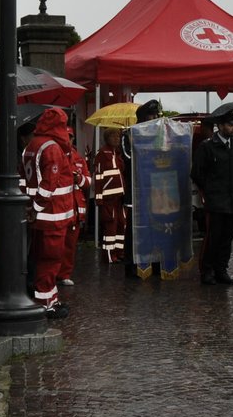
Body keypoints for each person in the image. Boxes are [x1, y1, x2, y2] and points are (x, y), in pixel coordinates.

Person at [22, 106, 79, 315]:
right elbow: (49, 184)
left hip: (40, 215)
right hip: (52, 215)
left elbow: (25, 180)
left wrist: (30, 208)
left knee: (41, 258)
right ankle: (46, 304)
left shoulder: (31, 146)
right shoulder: (52, 148)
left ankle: (49, 299)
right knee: (50, 259)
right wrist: (37, 207)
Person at [191, 107, 233, 284]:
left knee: (227, 237)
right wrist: (209, 190)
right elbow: (197, 173)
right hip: (216, 200)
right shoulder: (208, 146)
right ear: (221, 126)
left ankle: (221, 269)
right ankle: (207, 270)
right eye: (230, 125)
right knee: (213, 237)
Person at [121, 98, 160, 277]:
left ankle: (156, 263)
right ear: (142, 117)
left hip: (155, 191)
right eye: (151, 115)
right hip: (137, 191)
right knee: (134, 230)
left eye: (155, 115)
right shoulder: (128, 134)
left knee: (156, 228)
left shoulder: (160, 135)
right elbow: (129, 158)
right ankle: (132, 264)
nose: (154, 118)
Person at [60, 120, 89, 287]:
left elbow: (88, 181)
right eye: (66, 137)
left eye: (70, 137)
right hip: (59, 207)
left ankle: (64, 274)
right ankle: (54, 274)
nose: (68, 140)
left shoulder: (78, 158)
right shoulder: (55, 154)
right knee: (56, 245)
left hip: (75, 207)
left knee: (70, 244)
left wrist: (79, 178)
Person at [92, 126, 127, 262]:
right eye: (113, 136)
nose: (116, 139)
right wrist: (99, 198)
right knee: (110, 227)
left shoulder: (117, 153)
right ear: (107, 138)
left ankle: (119, 252)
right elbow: (99, 177)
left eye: (118, 136)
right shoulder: (102, 153)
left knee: (121, 224)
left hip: (119, 197)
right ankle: (108, 255)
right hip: (108, 198)